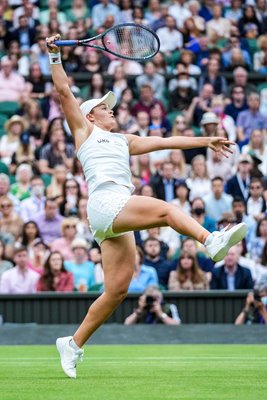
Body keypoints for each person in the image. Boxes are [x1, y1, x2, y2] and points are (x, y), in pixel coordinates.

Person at [46, 34, 247, 379]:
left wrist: (206, 140)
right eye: (103, 106)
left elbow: (167, 141)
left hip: (110, 213)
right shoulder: (83, 131)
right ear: (90, 117)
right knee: (168, 210)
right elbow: (65, 92)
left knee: (117, 290)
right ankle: (210, 240)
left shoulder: (125, 140)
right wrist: (54, 57)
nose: (111, 108)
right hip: (107, 201)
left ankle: (73, 343)